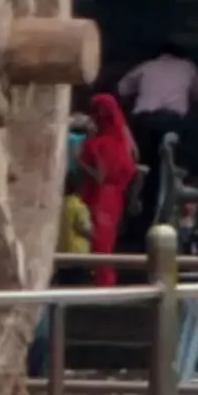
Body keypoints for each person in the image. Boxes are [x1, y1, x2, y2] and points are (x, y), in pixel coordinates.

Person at [117, 41, 198, 192]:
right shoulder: (187, 67)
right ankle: (170, 195)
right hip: (171, 122)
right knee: (173, 163)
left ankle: (139, 199)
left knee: (142, 163)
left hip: (143, 121)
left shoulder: (147, 66)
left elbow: (121, 89)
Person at [77, 93, 137, 287]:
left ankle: (102, 282)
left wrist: (79, 161)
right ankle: (105, 281)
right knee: (106, 242)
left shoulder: (99, 144)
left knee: (98, 241)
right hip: (116, 197)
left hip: (99, 196)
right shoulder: (123, 141)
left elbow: (99, 176)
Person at [56, 171, 93, 284]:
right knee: (77, 285)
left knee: (64, 284)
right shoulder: (79, 206)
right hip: (77, 254)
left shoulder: (59, 205)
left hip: (61, 252)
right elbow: (85, 228)